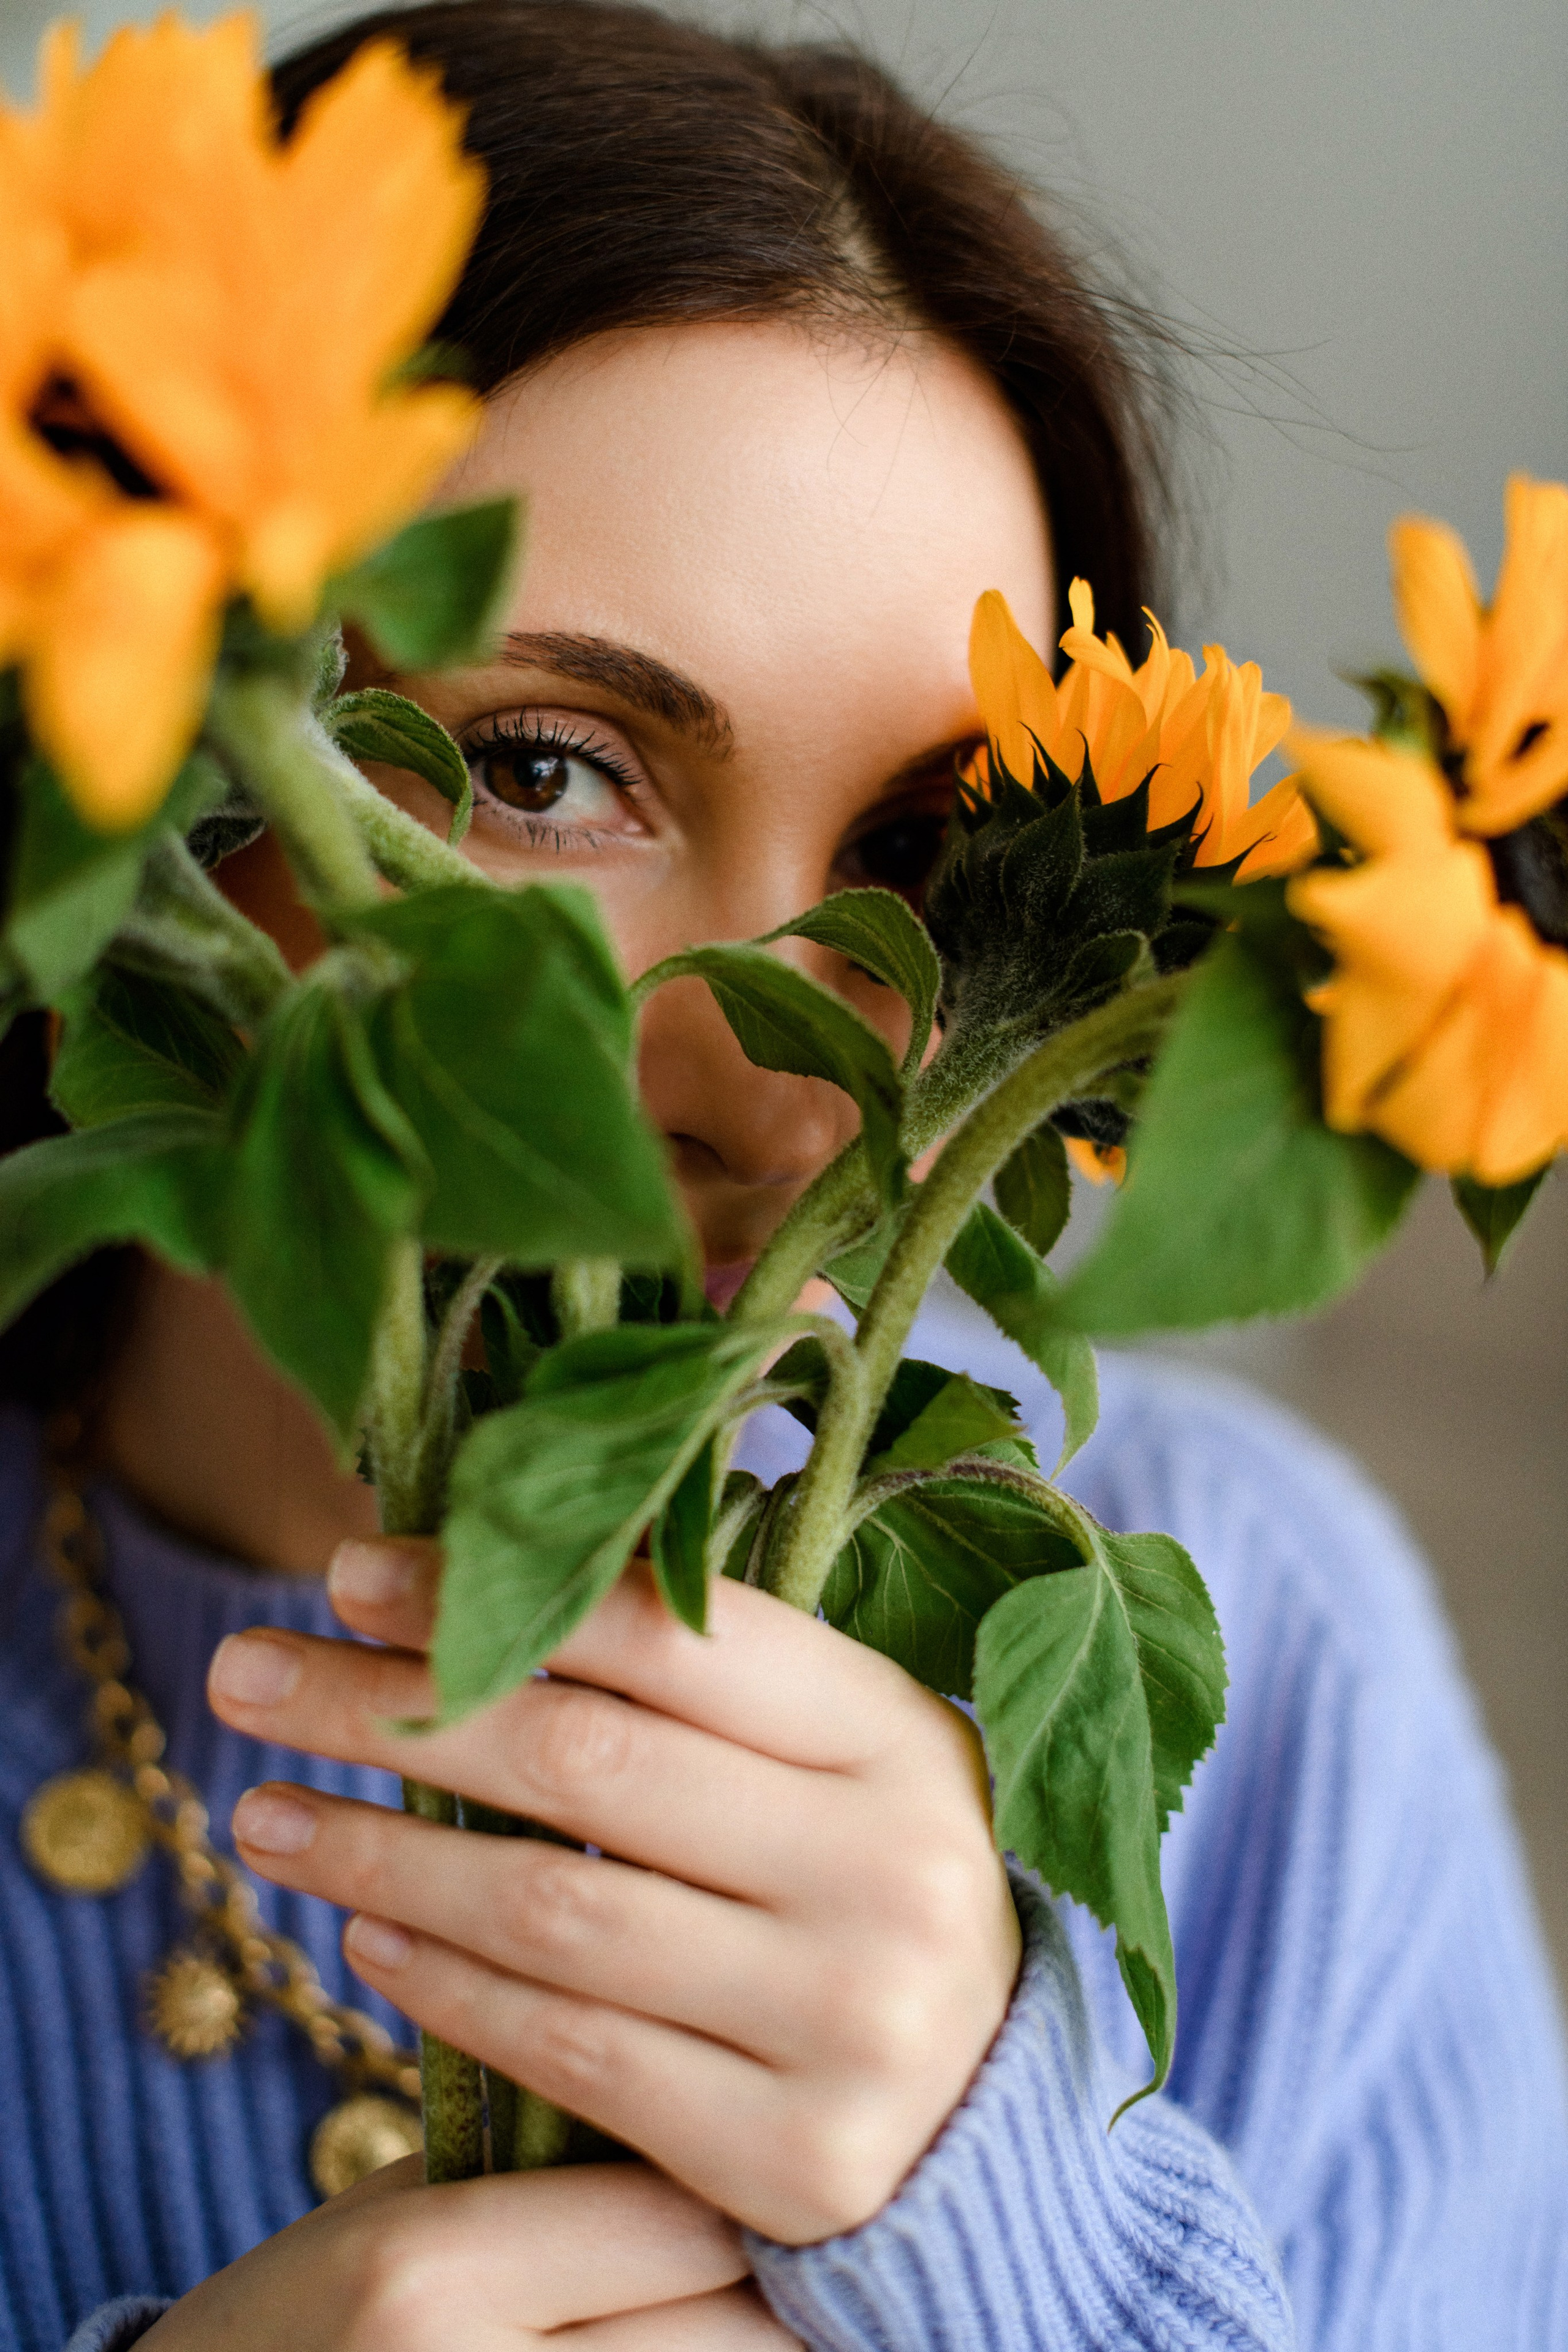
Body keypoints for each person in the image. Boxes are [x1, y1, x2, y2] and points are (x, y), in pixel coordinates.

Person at [1, 4, 1564, 2346]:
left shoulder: (1269, 1650)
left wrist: (994, 2210)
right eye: (543, 772)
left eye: (930, 857)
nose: (782, 1067)